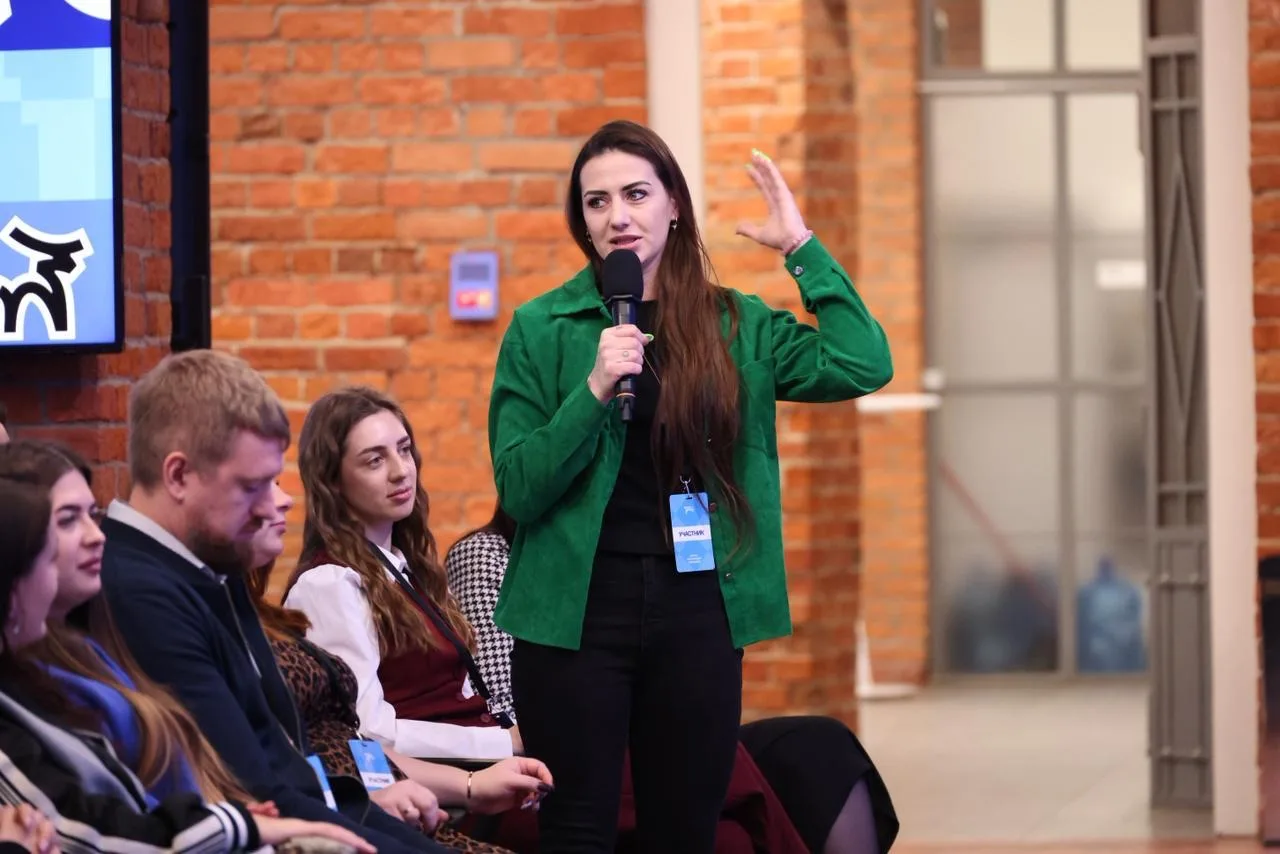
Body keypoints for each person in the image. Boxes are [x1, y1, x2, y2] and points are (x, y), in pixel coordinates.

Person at [486, 120, 893, 851]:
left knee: (685, 832)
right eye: (597, 201)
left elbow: (862, 363)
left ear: (674, 203)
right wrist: (594, 388)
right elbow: (518, 488)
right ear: (581, 220)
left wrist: (801, 248)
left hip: (698, 604)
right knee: (577, 832)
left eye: (636, 194)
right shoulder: (541, 328)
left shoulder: (734, 324)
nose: (618, 216)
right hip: (575, 613)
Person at [95, 349, 452, 854]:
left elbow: (291, 771)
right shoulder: (142, 590)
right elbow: (259, 788)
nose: (275, 503)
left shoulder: (204, 566)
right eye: (252, 486)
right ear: (177, 476)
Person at [448, 503, 900, 854]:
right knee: (723, 814)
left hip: (665, 727)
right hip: (572, 745)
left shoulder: (667, 532)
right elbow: (506, 702)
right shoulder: (489, 552)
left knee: (819, 745)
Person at [0, 476, 371, 854]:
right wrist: (227, 825)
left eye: (92, 514)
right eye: (251, 486)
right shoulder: (140, 597)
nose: (96, 535)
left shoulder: (88, 647)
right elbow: (84, 825)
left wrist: (220, 820)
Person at [282, 388, 544, 851]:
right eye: (374, 460)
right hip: (437, 792)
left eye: (404, 450)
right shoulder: (330, 582)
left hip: (481, 767)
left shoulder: (403, 563)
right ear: (332, 481)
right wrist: (503, 743)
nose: (401, 470)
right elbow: (367, 732)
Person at [245, 482, 554, 853]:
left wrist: (469, 786)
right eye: (255, 484)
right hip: (359, 805)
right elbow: (360, 735)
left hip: (387, 792)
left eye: (405, 453)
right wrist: (487, 762)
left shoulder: (408, 573)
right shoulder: (328, 582)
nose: (285, 501)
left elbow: (348, 746)